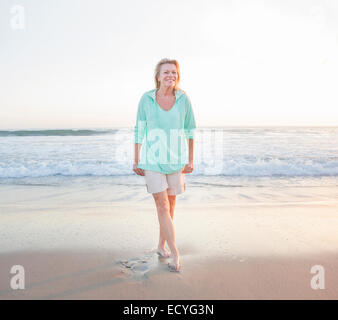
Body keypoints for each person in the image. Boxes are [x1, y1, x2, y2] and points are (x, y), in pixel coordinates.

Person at [133, 58, 196, 272]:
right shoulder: (147, 99)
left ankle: (161, 246)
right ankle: (175, 252)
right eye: (166, 72)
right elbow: (139, 130)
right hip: (152, 159)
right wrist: (136, 159)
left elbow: (190, 130)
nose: (170, 75)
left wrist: (190, 159)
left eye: (174, 72)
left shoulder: (183, 99)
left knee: (170, 206)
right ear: (158, 76)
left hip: (176, 160)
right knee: (162, 205)